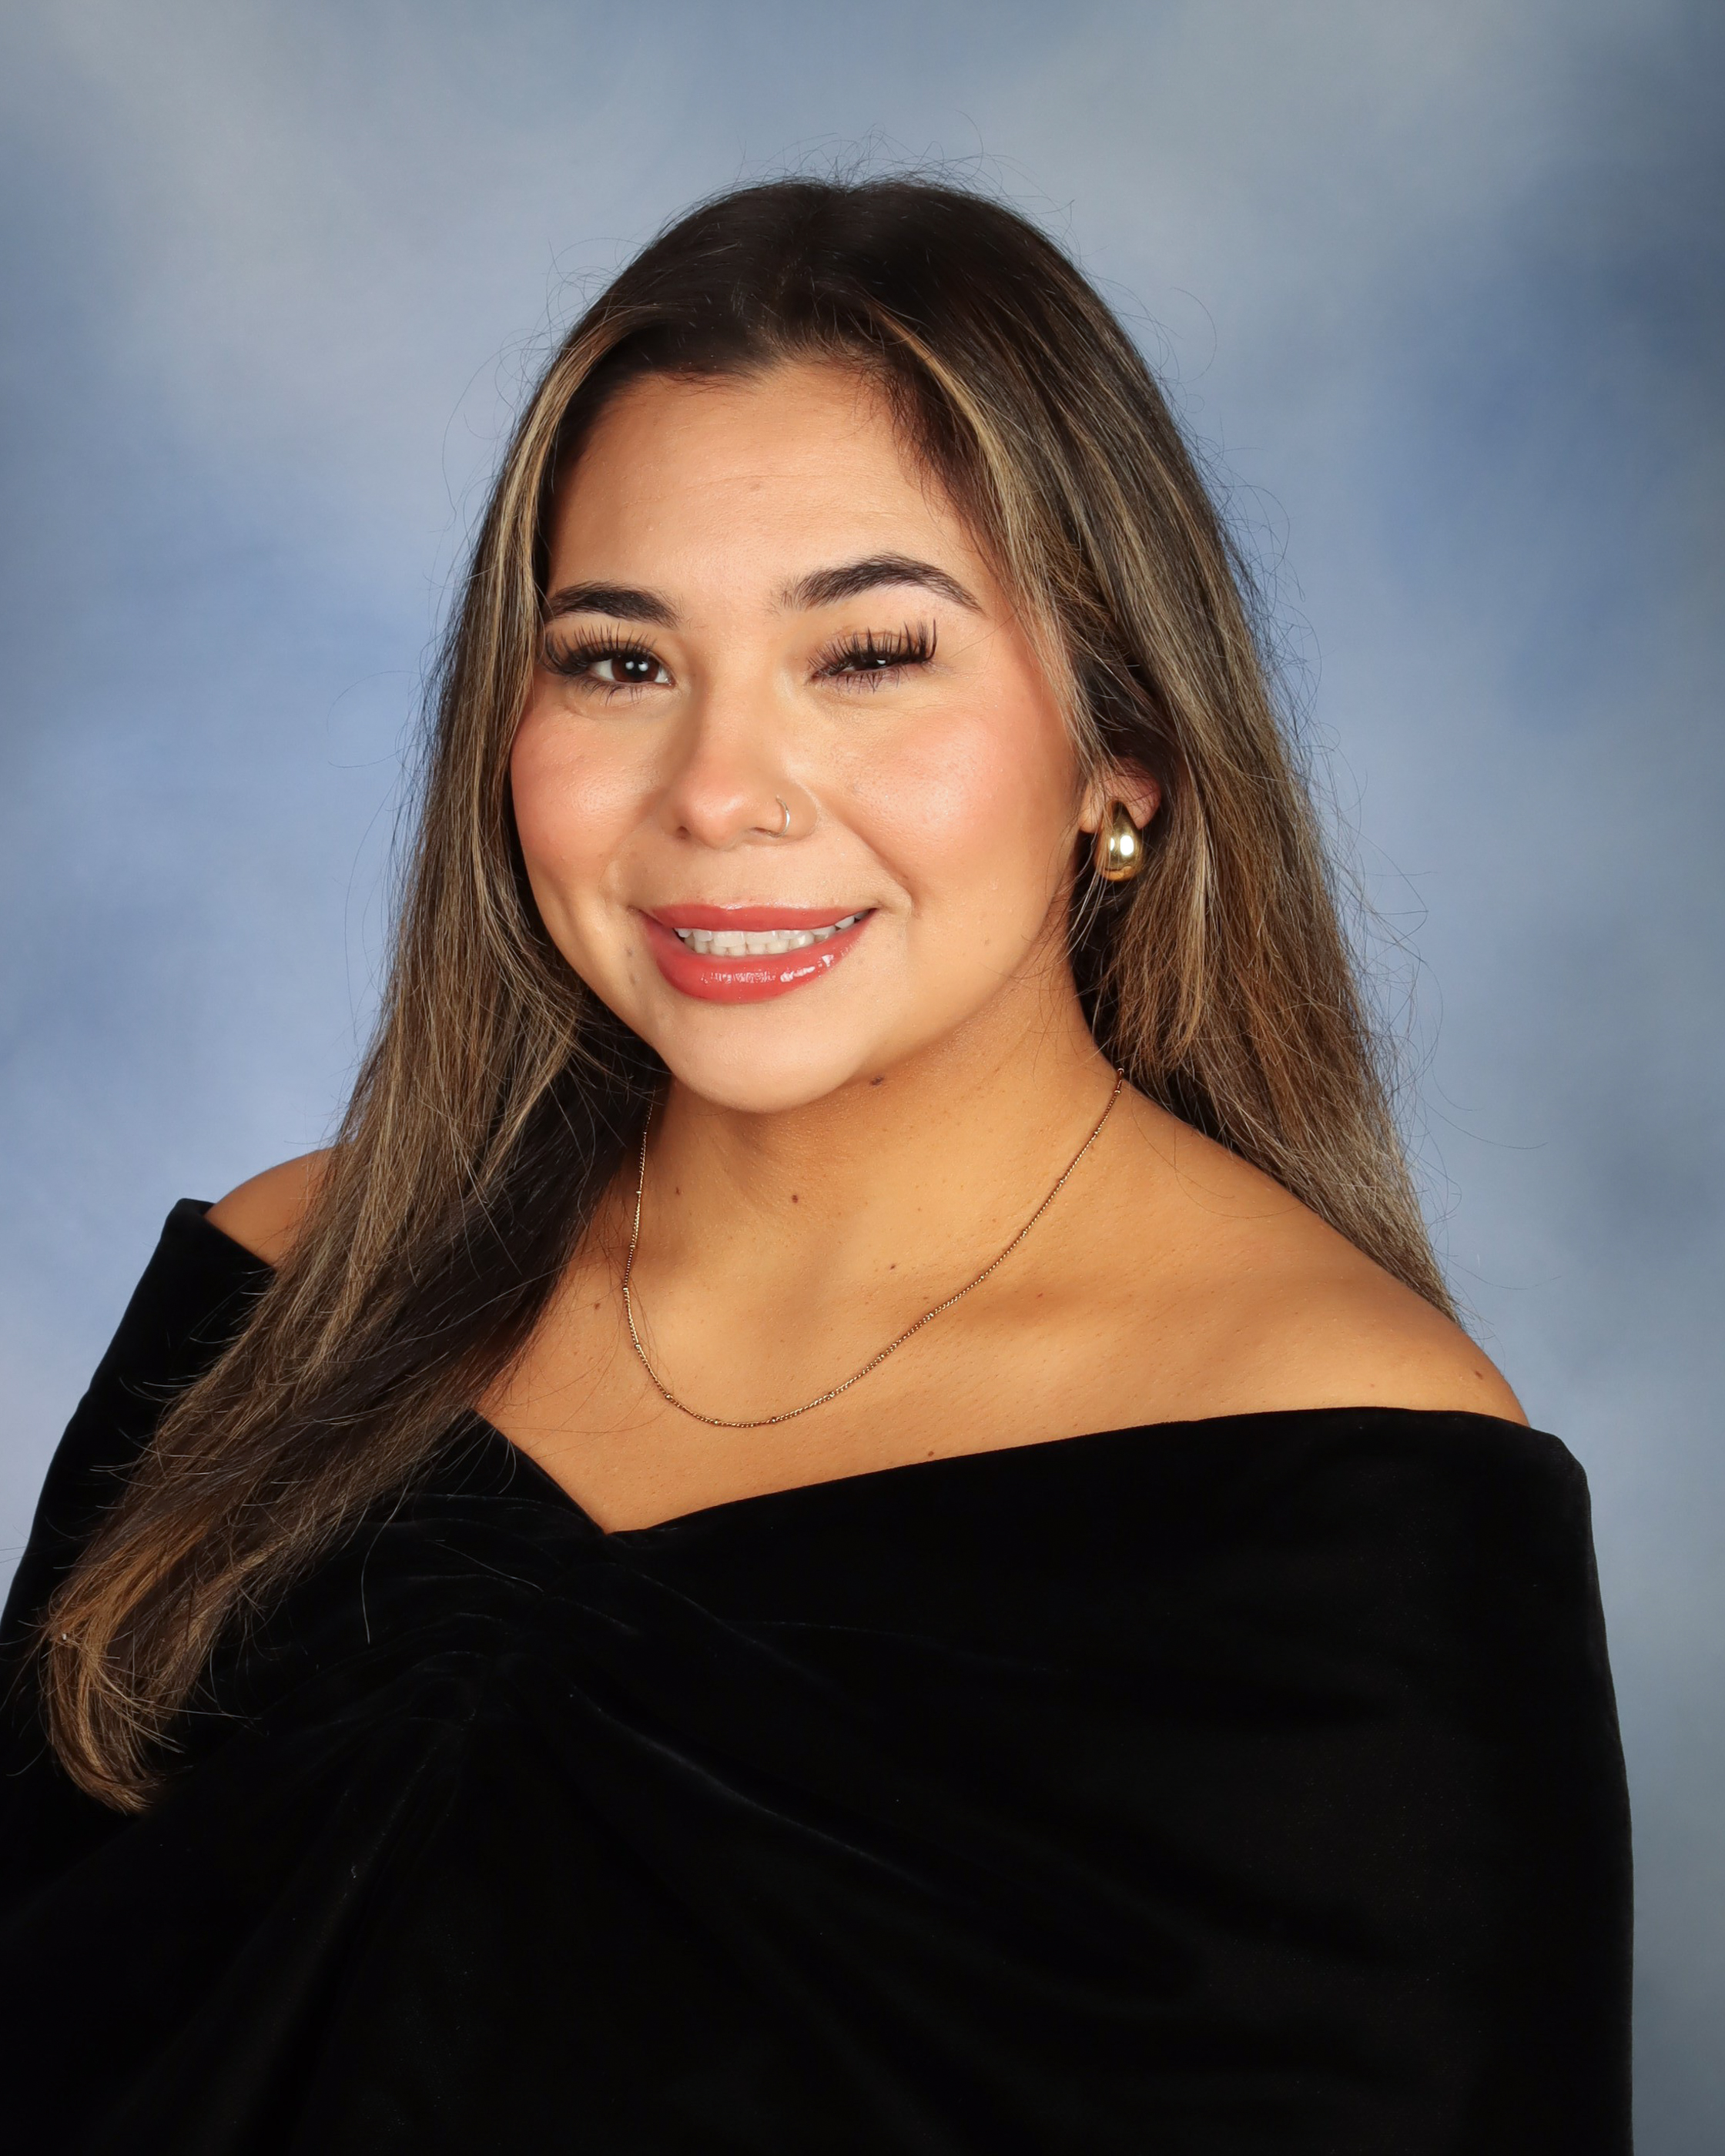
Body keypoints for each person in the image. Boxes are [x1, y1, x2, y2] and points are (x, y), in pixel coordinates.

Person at [0, 177, 1630, 2152]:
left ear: (1121, 753)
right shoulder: (292, 1280)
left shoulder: (1352, 1476)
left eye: (867, 654)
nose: (717, 794)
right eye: (619, 661)